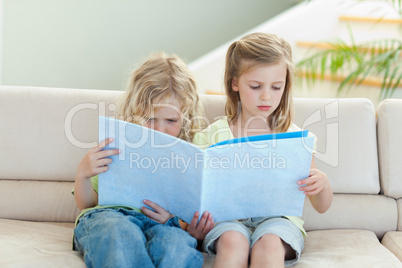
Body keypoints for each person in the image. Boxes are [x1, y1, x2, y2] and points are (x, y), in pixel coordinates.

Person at [192, 33, 333, 267]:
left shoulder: (294, 137)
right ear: (234, 83)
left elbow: (321, 206)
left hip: (278, 222)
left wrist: (322, 184)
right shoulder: (211, 135)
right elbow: (195, 192)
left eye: (276, 87)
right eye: (256, 86)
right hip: (228, 220)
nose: (267, 96)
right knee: (232, 241)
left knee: (268, 243)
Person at [73, 53, 214, 268]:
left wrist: (187, 227)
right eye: (149, 118)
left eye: (171, 120)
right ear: (135, 111)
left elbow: (190, 220)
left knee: (176, 250)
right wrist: (83, 173)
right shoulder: (118, 141)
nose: (159, 129)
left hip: (168, 225)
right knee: (121, 235)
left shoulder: (190, 152)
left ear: (186, 117)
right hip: (112, 215)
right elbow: (87, 203)